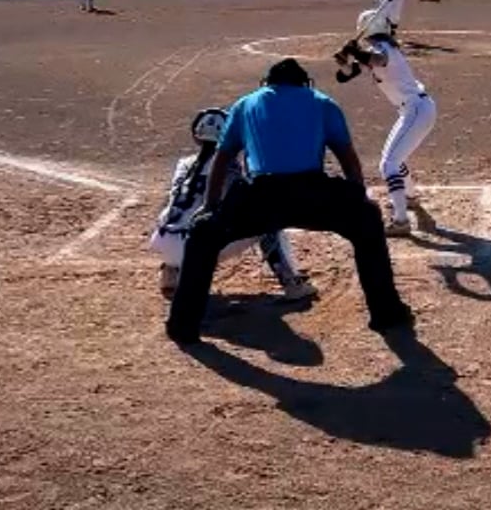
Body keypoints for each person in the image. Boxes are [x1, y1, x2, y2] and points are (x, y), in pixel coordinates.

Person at [165, 58, 411, 345]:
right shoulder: (323, 102)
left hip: (261, 196)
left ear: (267, 84)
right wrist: (357, 199)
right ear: (304, 83)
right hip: (313, 192)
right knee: (367, 220)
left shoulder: (245, 104)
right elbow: (347, 157)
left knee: (203, 234)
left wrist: (210, 208)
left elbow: (222, 159)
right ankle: (386, 313)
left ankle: (182, 326)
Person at [149, 107, 315, 302]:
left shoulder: (184, 164)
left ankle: (171, 274)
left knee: (179, 212)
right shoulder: (228, 166)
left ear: (196, 136)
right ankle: (291, 283)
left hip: (162, 240)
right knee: (268, 222)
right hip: (195, 247)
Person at [334, 9, 438, 237]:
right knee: (393, 159)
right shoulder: (377, 49)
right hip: (415, 110)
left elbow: (377, 60)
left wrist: (355, 51)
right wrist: (344, 61)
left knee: (388, 164)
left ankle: (401, 221)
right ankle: (409, 197)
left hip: (416, 110)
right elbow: (345, 76)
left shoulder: (384, 49)